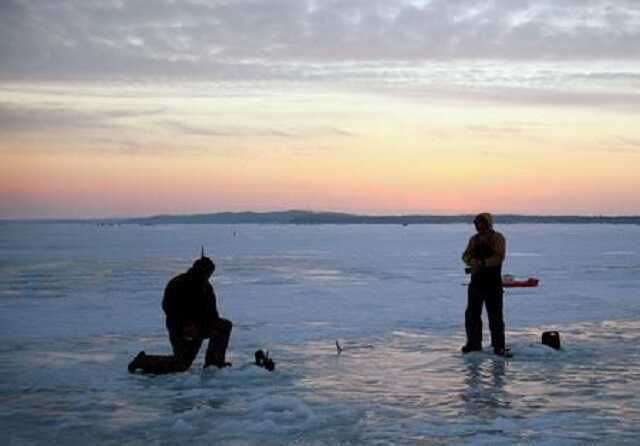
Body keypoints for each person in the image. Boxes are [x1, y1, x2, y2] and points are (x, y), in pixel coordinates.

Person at [128, 252, 233, 373]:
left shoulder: (207, 287)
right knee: (181, 365)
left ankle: (214, 363)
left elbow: (212, 313)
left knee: (224, 326)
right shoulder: (178, 283)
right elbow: (168, 307)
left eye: (209, 273)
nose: (207, 276)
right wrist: (186, 325)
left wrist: (209, 325)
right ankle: (143, 361)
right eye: (205, 272)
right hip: (180, 329)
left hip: (199, 327)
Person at [461, 213, 509, 356]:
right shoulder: (474, 239)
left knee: (495, 316)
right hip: (476, 283)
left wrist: (483, 263)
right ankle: (473, 344)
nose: (479, 226)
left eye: (482, 223)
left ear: (488, 224)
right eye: (477, 224)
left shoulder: (497, 238)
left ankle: (499, 346)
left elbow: (499, 257)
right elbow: (465, 255)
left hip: (492, 282)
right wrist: (471, 261)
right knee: (472, 315)